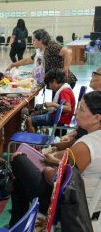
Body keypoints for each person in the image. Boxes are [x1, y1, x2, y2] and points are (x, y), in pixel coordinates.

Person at [9, 91, 101, 227]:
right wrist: (55, 158)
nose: (76, 112)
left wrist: (47, 168)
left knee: (18, 159)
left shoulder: (86, 146)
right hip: (79, 201)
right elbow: (69, 159)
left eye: (81, 109)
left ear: (97, 117)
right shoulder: (94, 139)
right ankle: (17, 224)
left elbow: (57, 179)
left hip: (67, 205)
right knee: (21, 179)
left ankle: (17, 223)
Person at [6, 29, 77, 88]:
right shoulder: (40, 50)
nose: (32, 42)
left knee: (59, 103)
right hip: (55, 81)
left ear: (41, 40)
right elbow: (27, 60)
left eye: (34, 40)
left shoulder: (51, 46)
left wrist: (65, 68)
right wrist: (13, 65)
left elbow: (68, 53)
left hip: (64, 81)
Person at [56, 66, 101, 150]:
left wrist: (61, 148)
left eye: (95, 74)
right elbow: (81, 130)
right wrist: (70, 135)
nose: (92, 76)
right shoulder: (93, 97)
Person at [25, 69, 75, 133]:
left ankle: (33, 141)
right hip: (59, 116)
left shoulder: (64, 92)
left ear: (54, 81)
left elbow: (68, 109)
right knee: (34, 113)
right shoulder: (65, 88)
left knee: (28, 120)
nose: (50, 87)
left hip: (60, 119)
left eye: (49, 84)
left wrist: (53, 104)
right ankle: (39, 133)